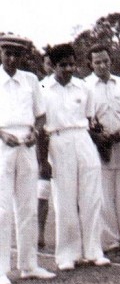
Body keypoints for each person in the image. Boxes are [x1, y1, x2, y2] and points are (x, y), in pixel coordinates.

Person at [42, 43, 110, 271]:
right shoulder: (43, 89)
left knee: (91, 197)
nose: (69, 69)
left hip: (82, 139)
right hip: (58, 140)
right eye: (63, 65)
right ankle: (67, 255)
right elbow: (42, 125)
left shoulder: (83, 88)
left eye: (72, 64)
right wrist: (43, 159)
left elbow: (89, 120)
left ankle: (93, 250)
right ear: (52, 65)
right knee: (65, 200)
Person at [0, 35, 57, 284]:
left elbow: (41, 115)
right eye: (7, 53)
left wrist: (36, 131)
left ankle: (29, 265)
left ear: (23, 56)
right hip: (3, 145)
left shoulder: (31, 80)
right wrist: (1, 134)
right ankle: (0, 269)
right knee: (1, 210)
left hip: (26, 145)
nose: (12, 59)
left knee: (28, 206)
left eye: (16, 54)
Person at [85, 44, 120, 253]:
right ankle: (111, 240)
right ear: (90, 64)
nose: (102, 65)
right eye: (97, 62)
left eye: (106, 61)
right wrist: (98, 137)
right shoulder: (85, 86)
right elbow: (84, 117)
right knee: (104, 194)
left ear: (111, 61)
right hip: (98, 146)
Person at [36, 53, 54, 249]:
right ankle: (40, 233)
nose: (51, 67)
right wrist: (42, 158)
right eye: (48, 64)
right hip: (44, 142)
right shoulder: (39, 86)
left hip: (64, 141)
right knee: (42, 191)